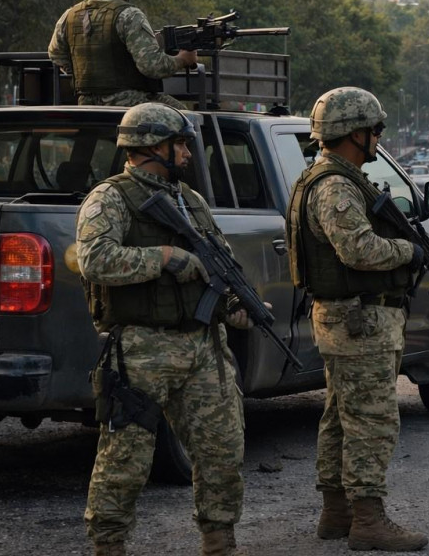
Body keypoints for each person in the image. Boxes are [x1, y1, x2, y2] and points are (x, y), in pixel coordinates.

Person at [78, 104, 247, 556]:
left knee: (222, 451)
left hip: (202, 347)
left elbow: (221, 264)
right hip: (140, 348)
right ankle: (109, 546)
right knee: (125, 458)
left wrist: (237, 305)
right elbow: (95, 259)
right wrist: (164, 258)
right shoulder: (109, 198)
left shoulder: (190, 201)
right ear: (154, 145)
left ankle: (220, 540)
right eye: (181, 143)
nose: (188, 153)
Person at [286, 87, 429, 551]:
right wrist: (411, 250)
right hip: (360, 321)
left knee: (340, 417)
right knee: (371, 420)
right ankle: (367, 520)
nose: (378, 137)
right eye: (375, 129)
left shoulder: (327, 179)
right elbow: (359, 249)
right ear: (354, 133)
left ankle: (336, 513)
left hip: (350, 320)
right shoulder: (335, 186)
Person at [49, 0, 198, 108]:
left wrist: (81, 75)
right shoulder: (129, 15)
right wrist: (183, 60)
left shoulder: (69, 15)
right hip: (130, 104)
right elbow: (152, 67)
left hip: (86, 103)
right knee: (185, 117)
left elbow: (55, 54)